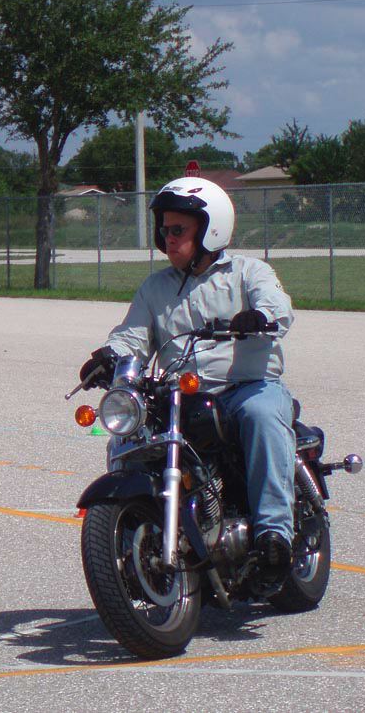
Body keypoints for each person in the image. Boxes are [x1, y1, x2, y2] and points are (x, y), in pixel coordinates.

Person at [78, 176, 296, 583]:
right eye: (164, 231)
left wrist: (260, 317)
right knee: (128, 437)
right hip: (181, 395)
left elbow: (278, 306)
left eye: (178, 230)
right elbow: (132, 336)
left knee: (263, 417)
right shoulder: (155, 288)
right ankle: (136, 532)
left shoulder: (248, 272)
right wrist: (109, 355)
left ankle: (274, 536)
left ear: (211, 229)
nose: (169, 238)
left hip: (247, 388)